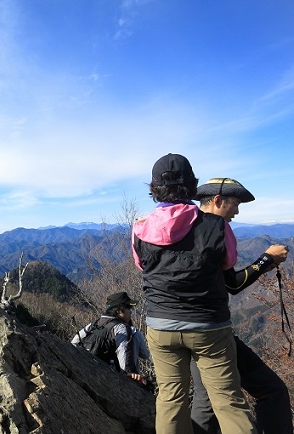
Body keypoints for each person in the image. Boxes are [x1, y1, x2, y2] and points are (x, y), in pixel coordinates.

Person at [131, 153, 257, 434]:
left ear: (154, 189)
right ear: (192, 185)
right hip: (209, 327)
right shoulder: (216, 226)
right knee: (228, 402)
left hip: (161, 325)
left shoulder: (139, 229)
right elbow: (229, 265)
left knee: (170, 400)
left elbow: (142, 266)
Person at [190, 177, 292, 434]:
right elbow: (233, 285)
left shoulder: (184, 228)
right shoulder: (213, 232)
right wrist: (266, 259)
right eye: (234, 204)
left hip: (180, 327)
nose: (237, 211)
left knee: (207, 403)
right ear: (217, 200)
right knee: (270, 390)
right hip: (210, 331)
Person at [71, 291, 151, 385]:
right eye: (128, 307)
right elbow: (124, 356)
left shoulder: (96, 323)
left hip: (87, 371)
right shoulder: (121, 328)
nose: (131, 311)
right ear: (118, 311)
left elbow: (74, 342)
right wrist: (131, 376)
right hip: (110, 379)